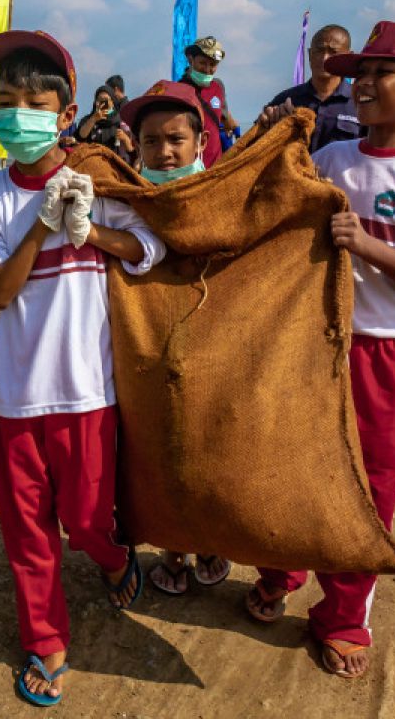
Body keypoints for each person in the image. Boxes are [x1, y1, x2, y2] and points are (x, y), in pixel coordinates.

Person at [251, 21, 395, 678]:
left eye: (381, 74)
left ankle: (342, 618)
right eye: (359, 72)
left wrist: (366, 244)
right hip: (312, 344)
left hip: (379, 356)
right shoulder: (333, 159)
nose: (363, 84)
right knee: (284, 470)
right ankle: (279, 571)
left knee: (367, 495)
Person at [0, 29, 165, 707]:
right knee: (28, 535)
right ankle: (45, 639)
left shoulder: (99, 178)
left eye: (31, 100)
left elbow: (148, 250)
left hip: (88, 392)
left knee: (87, 519)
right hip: (19, 398)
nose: (14, 112)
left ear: (63, 110)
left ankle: (113, 558)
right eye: (3, 100)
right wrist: (43, 227)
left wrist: (90, 231)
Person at [116, 79, 233, 594]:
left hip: (212, 342)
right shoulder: (130, 198)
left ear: (200, 143)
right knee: (159, 448)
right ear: (135, 147)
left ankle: (211, 542)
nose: (163, 152)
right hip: (150, 343)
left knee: (210, 445)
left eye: (175, 140)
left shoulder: (221, 192)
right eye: (150, 143)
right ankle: (173, 551)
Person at [264, 24, 362, 152]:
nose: (324, 58)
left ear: (348, 57)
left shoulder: (359, 103)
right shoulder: (286, 100)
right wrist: (270, 125)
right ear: (310, 54)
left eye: (333, 52)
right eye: (319, 51)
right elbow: (257, 146)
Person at [177, 35, 238, 166]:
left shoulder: (218, 87)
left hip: (216, 165)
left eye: (212, 65)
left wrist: (237, 132)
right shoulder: (179, 89)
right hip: (189, 166)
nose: (207, 69)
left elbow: (224, 117)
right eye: (203, 63)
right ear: (190, 60)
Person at [74, 85, 136, 163]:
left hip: (113, 165)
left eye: (106, 100)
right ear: (95, 102)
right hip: (90, 162)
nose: (103, 103)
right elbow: (80, 136)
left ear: (112, 102)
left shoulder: (121, 121)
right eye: (100, 100)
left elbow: (132, 151)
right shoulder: (88, 119)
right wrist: (93, 119)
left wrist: (124, 138)